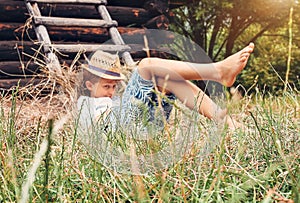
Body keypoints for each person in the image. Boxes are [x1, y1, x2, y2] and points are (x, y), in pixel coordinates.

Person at [77, 43, 255, 132]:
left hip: (143, 127)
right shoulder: (84, 103)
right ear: (90, 85)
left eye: (114, 86)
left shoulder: (113, 100)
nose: (111, 91)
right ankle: (216, 71)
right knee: (147, 65)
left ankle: (227, 122)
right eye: (106, 86)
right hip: (125, 131)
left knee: (170, 80)